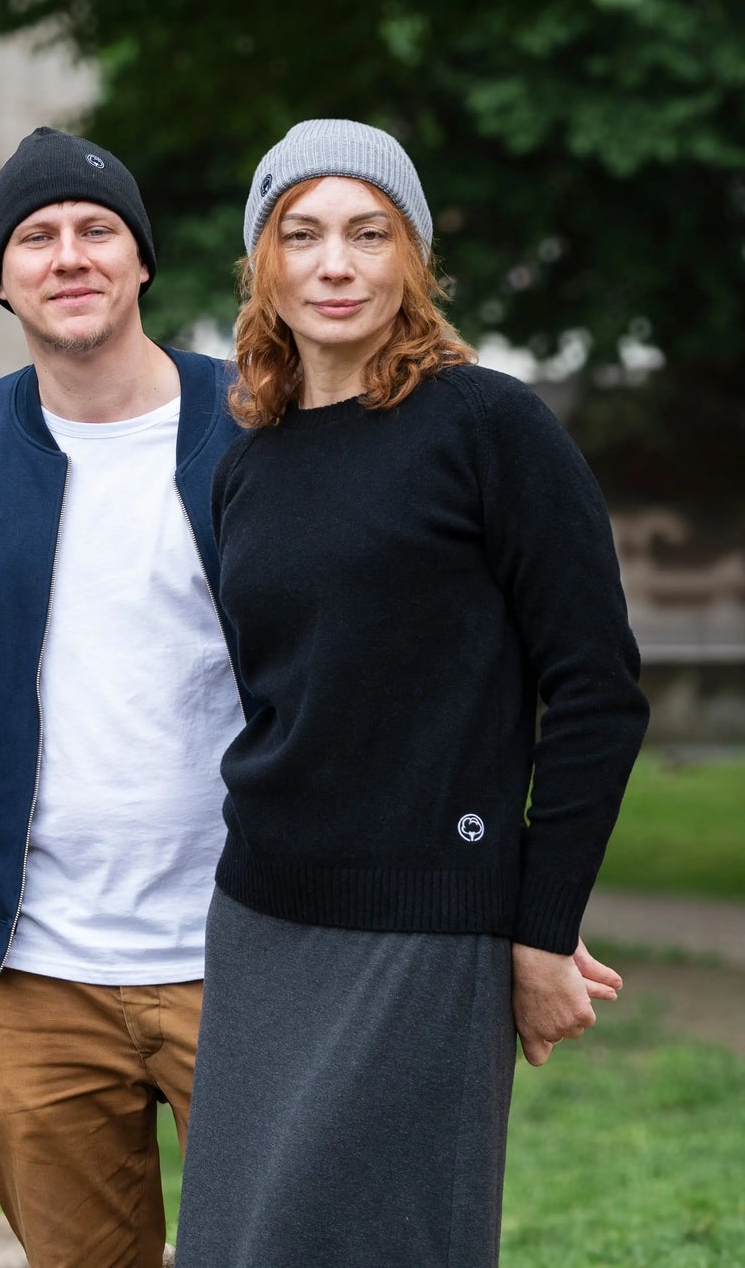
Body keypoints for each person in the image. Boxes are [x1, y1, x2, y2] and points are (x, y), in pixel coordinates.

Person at [175, 120, 649, 1267]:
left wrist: (538, 922)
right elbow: (282, 690)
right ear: (264, 265)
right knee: (243, 1243)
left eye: (368, 232)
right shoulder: (251, 457)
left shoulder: (491, 426)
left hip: (426, 920)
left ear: (412, 260)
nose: (335, 263)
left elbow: (595, 688)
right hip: (262, 913)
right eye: (303, 233)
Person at [0, 128, 245, 1267]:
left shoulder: (254, 421)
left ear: (142, 260)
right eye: (36, 237)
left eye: (97, 230)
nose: (69, 255)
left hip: (245, 948)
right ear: (1, 276)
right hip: (40, 971)